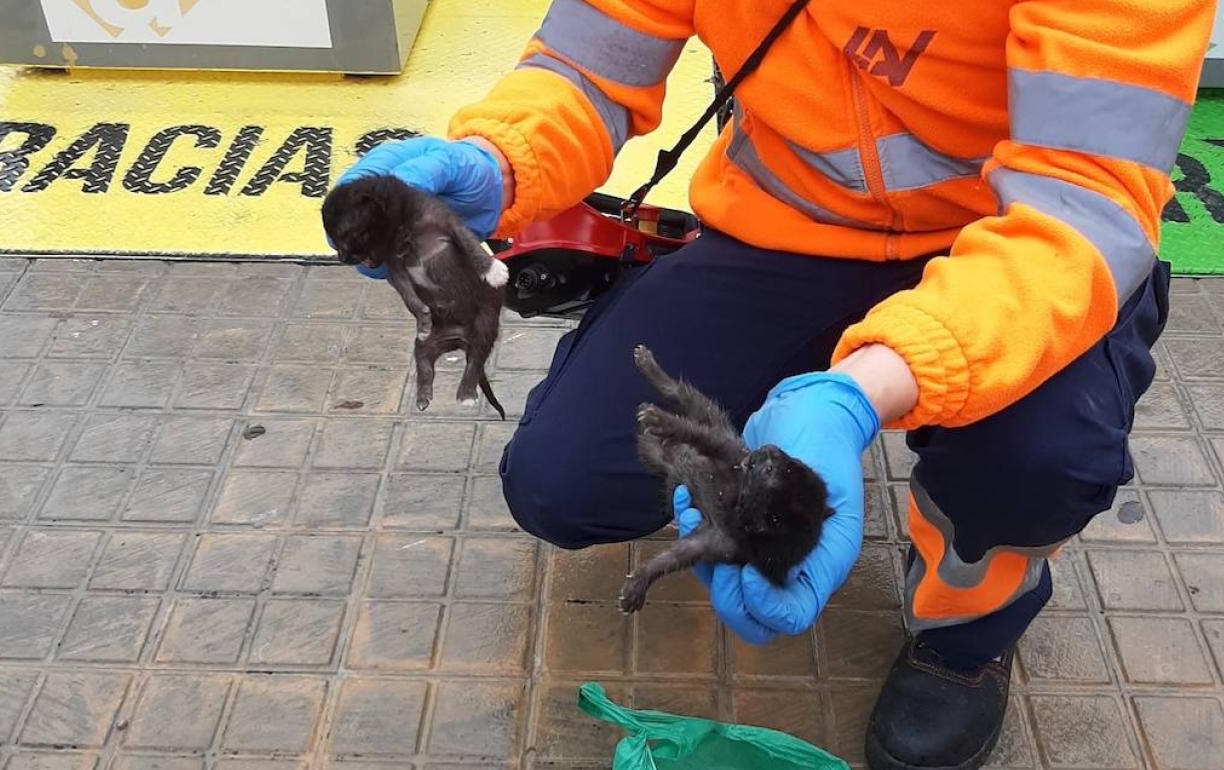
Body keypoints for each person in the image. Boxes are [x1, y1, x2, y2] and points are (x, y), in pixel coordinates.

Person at [330, 2, 1214, 768]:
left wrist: (858, 391)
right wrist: (499, 161)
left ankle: (965, 635)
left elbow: (1081, 205)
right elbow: (587, 69)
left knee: (1040, 462)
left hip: (1024, 248)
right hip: (791, 226)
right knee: (563, 481)